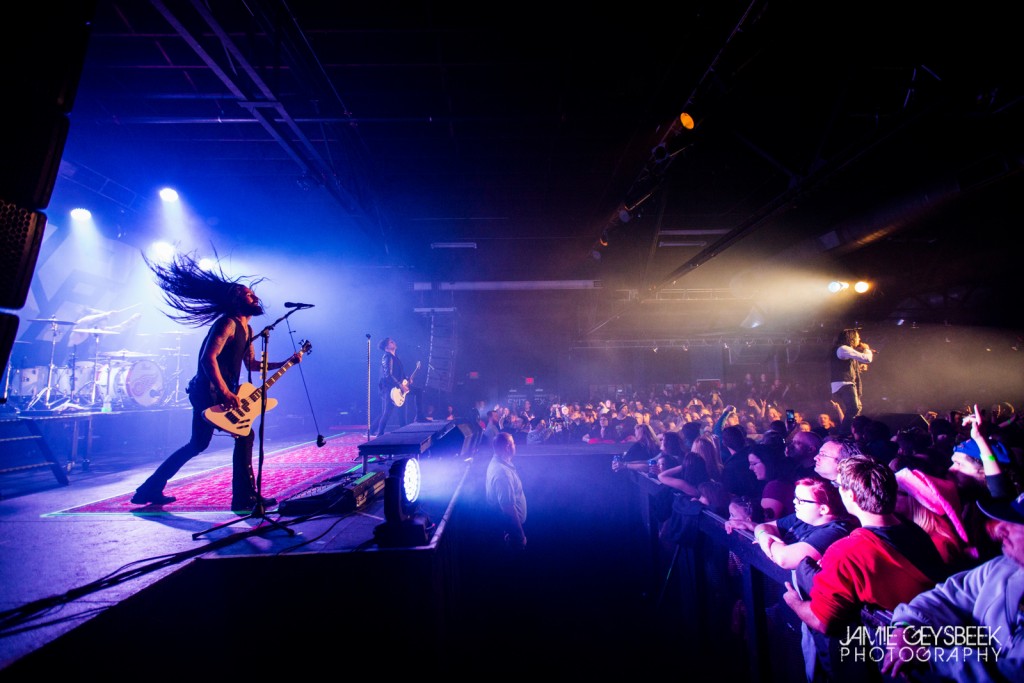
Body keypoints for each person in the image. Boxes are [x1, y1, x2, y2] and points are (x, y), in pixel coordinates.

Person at [130, 253, 303, 511]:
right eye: (248, 294)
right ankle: (243, 498)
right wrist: (223, 391)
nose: (255, 297)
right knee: (242, 436)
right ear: (236, 300)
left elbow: (252, 365)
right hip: (206, 392)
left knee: (198, 444)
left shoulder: (248, 329)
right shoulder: (227, 324)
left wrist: (286, 362)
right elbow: (207, 359)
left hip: (221, 392)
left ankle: (150, 488)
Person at [781, 455, 947, 683]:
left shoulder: (847, 551)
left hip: (889, 665)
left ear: (851, 496)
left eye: (840, 486)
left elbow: (822, 620)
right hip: (928, 657)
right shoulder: (916, 532)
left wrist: (794, 602)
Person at [881, 490, 1024, 682]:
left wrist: (931, 657)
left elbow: (1011, 673)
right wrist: (905, 628)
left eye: (1017, 524)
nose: (999, 530)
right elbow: (946, 596)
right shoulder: (1002, 567)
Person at [485, 432, 527, 551]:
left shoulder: (503, 463)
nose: (515, 445)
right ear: (507, 447)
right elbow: (508, 508)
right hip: (510, 532)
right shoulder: (502, 473)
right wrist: (520, 536)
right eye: (513, 443)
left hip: (510, 529)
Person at [829, 328, 873, 436]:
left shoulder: (845, 350)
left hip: (845, 382)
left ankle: (852, 432)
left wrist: (859, 369)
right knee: (854, 408)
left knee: (857, 408)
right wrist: (867, 350)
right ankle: (843, 433)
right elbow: (867, 358)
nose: (859, 339)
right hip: (844, 383)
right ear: (852, 338)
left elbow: (846, 366)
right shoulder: (843, 348)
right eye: (858, 337)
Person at [375, 337, 407, 437]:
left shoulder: (396, 357)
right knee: (387, 412)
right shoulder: (387, 357)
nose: (394, 342)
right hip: (389, 388)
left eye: (393, 341)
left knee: (401, 410)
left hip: (397, 387)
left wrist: (406, 379)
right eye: (391, 342)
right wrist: (400, 385)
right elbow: (388, 374)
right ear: (386, 347)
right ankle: (379, 434)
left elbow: (399, 373)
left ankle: (405, 430)